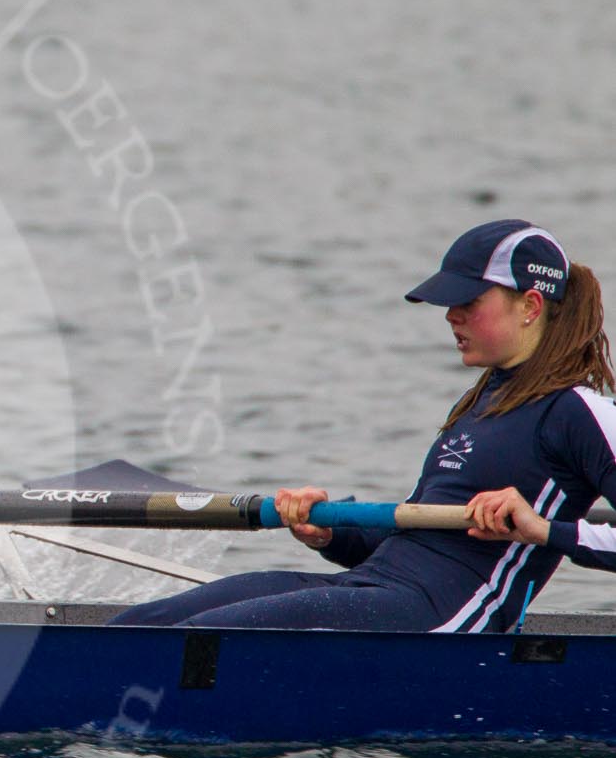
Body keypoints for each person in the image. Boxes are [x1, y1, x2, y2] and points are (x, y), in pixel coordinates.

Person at [113, 219, 616, 632]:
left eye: (468, 303)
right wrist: (328, 529)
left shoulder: (578, 411)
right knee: (144, 625)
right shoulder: (482, 402)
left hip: (446, 617)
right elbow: (412, 541)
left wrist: (543, 529)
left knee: (202, 637)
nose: (450, 317)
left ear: (529, 305)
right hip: (379, 589)